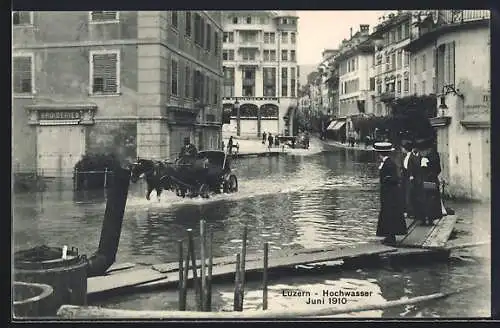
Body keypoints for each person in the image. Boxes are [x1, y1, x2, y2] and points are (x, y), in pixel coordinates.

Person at [374, 142, 407, 245]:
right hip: (388, 192)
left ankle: (391, 238)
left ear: (380, 154)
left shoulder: (389, 163)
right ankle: (388, 236)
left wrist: (386, 179)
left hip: (390, 193)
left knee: (390, 214)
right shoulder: (387, 162)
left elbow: (395, 178)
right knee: (387, 213)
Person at [420, 139, 444, 226]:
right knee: (432, 199)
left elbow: (423, 170)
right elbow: (439, 169)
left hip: (427, 180)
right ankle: (431, 218)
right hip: (433, 179)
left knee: (427, 199)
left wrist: (427, 171)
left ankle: (427, 218)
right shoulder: (435, 155)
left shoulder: (425, 157)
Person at [407, 142, 425, 224]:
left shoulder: (421, 156)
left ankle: (420, 214)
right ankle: (414, 212)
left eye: (415, 148)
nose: (414, 149)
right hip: (414, 179)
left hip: (420, 178)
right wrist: (410, 175)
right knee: (413, 195)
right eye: (413, 148)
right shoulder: (411, 157)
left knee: (420, 196)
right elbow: (409, 167)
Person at [400, 140, 414, 219]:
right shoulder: (405, 156)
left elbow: (412, 167)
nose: (402, 149)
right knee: (405, 193)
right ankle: (406, 210)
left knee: (409, 194)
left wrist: (411, 175)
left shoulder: (411, 156)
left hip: (409, 177)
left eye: (403, 148)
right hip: (405, 177)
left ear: (405, 148)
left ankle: (410, 211)